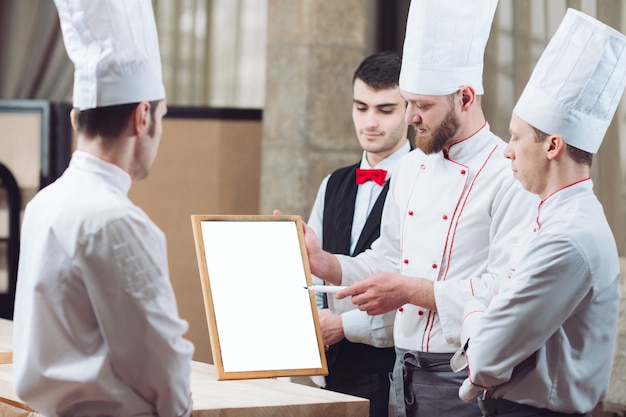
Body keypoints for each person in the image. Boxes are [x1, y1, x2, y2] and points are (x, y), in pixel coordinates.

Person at [302, 1, 538, 416]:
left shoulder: (509, 174)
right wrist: (326, 263)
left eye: (422, 106)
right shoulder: (410, 168)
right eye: (407, 103)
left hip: (465, 375)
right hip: (401, 371)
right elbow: (388, 257)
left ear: (465, 97)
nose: (410, 117)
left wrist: (412, 290)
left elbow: (504, 291)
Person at [12, 1, 194, 416]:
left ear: (76, 119)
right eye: (161, 116)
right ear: (143, 117)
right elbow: (159, 360)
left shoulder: (46, 202)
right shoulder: (117, 221)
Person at [457, 9, 626, 417]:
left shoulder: (568, 236)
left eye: (515, 136)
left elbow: (485, 356)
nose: (506, 149)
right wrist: (485, 301)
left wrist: (474, 308)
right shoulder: (550, 214)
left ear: (553, 146)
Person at [307, 51, 410, 417]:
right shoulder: (332, 183)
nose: (369, 122)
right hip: (332, 369)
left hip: (392, 371)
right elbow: (314, 273)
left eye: (385, 110)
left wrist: (343, 325)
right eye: (361, 107)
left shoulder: (422, 183)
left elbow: (415, 286)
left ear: (411, 110)